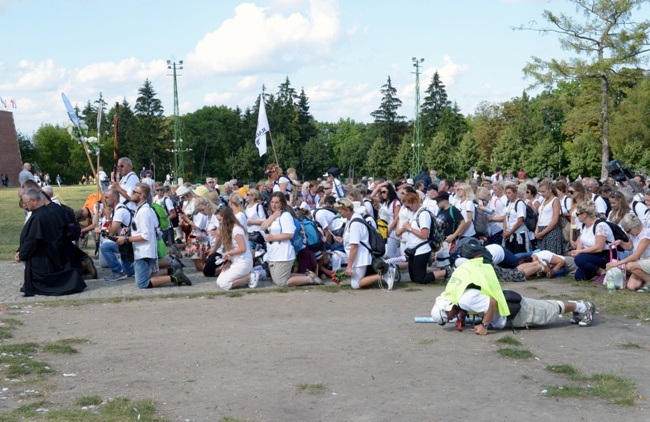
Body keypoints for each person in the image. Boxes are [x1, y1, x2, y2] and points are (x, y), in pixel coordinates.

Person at [429, 258, 596, 331]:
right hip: (507, 302)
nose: (450, 319)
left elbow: (492, 303)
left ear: (446, 308)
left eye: (448, 318)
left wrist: (485, 326)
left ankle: (583, 306)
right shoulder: (453, 295)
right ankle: (578, 307)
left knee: (547, 310)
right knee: (546, 306)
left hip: (512, 311)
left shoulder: (464, 300)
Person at [115, 183, 191, 288]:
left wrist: (126, 239)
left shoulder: (144, 211)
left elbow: (145, 235)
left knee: (142, 283)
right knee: (149, 274)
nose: (131, 194)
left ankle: (175, 277)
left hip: (144, 252)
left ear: (141, 196)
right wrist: (128, 230)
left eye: (134, 192)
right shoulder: (141, 209)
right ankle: (172, 270)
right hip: (144, 250)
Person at [15, 188, 87, 296]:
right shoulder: (45, 212)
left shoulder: (40, 216)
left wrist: (22, 254)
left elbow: (33, 240)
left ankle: (73, 279)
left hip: (41, 258)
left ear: (33, 200)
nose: (25, 205)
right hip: (48, 255)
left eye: (26, 202)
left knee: (42, 283)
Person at [260, 192, 321, 287]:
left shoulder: (285, 216)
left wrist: (273, 237)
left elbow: (289, 234)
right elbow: (263, 227)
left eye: (276, 202)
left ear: (282, 203)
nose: (274, 205)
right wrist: (272, 217)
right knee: (278, 279)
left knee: (281, 282)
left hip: (283, 253)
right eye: (272, 202)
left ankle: (310, 279)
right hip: (274, 252)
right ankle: (307, 275)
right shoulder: (274, 216)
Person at [335, 198, 397, 290]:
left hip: (360, 257)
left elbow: (354, 246)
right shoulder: (353, 219)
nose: (339, 214)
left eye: (340, 212)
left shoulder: (355, 223)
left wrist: (349, 266)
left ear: (347, 210)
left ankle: (385, 274)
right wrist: (343, 240)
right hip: (359, 255)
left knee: (355, 285)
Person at [398, 193, 446, 284]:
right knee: (414, 278)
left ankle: (445, 272)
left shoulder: (423, 214)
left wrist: (410, 228)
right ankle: (437, 270)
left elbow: (424, 235)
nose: (408, 209)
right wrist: (401, 230)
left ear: (415, 201)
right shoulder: (414, 213)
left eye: (408, 206)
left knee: (420, 279)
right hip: (414, 248)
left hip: (422, 249)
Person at [569, 200, 614, 282]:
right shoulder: (584, 226)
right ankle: (595, 271)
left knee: (579, 259)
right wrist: (577, 250)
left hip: (604, 255)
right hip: (591, 254)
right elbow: (581, 240)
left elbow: (599, 248)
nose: (576, 216)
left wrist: (580, 252)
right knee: (579, 277)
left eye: (577, 214)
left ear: (584, 215)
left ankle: (602, 272)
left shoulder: (600, 225)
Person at [215, 207, 256, 290]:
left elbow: (242, 248)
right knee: (219, 282)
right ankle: (245, 277)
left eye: (220, 220)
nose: (219, 223)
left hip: (243, 261)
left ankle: (249, 277)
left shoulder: (236, 229)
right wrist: (228, 261)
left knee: (224, 285)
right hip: (236, 260)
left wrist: (228, 254)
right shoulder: (230, 229)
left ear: (226, 218)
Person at [609, 214, 650, 292]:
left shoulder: (646, 236)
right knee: (631, 286)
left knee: (630, 266)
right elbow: (629, 247)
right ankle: (646, 280)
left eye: (627, 230)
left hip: (646, 259)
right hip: (643, 261)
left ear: (635, 227)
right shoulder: (634, 234)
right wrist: (620, 242)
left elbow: (636, 256)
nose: (627, 233)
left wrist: (617, 263)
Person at [101, 188, 135, 281]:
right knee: (128, 272)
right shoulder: (116, 209)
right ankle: (137, 270)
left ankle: (117, 272)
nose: (105, 200)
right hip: (125, 240)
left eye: (107, 197)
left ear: (114, 198)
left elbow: (111, 232)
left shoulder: (120, 211)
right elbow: (111, 229)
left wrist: (108, 217)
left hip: (127, 242)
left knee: (105, 247)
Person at [534, 179, 563, 255]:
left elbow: (555, 220)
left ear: (550, 190)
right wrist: (537, 229)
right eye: (540, 192)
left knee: (551, 255)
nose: (542, 194)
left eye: (543, 192)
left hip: (551, 231)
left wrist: (543, 233)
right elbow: (540, 216)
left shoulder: (555, 200)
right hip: (541, 230)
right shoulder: (543, 200)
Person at [503, 184, 529, 254]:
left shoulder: (519, 203)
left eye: (509, 193)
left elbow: (520, 220)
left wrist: (509, 232)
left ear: (515, 193)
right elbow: (505, 218)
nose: (507, 195)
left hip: (518, 234)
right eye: (506, 193)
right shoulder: (508, 203)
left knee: (519, 256)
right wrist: (505, 231)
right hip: (509, 234)